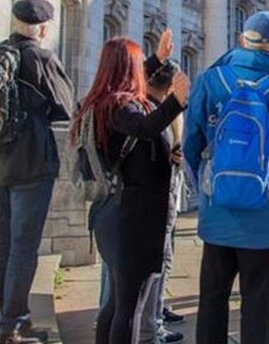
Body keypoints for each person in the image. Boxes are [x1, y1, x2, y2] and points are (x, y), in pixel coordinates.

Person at [184, 11, 269, 344]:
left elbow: (191, 143)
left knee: (212, 297)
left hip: (218, 209)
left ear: (242, 40)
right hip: (266, 215)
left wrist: (205, 188)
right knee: (257, 303)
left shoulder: (211, 81)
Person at [77, 32, 190, 344]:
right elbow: (145, 127)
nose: (143, 71)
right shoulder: (121, 106)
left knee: (117, 303)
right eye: (138, 65)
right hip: (131, 218)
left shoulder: (103, 102)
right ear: (128, 70)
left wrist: (158, 58)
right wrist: (177, 101)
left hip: (114, 212)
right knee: (129, 308)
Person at [0, 0, 75, 344]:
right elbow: (66, 105)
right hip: (30, 162)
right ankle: (13, 324)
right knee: (23, 246)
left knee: (0, 240)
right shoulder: (40, 58)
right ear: (43, 29)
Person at [138, 60, 187, 344]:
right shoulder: (154, 114)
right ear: (170, 89)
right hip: (156, 201)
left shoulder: (141, 109)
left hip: (155, 200)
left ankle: (154, 317)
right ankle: (150, 327)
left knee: (159, 261)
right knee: (158, 261)